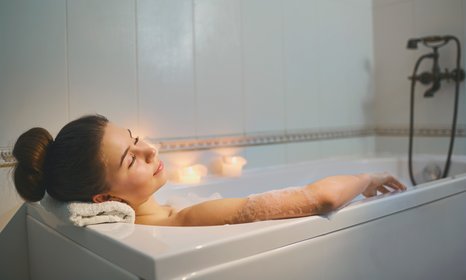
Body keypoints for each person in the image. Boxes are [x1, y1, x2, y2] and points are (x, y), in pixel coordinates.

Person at [12, 115, 407, 226]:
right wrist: (367, 178)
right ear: (103, 200)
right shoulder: (184, 219)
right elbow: (321, 198)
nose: (150, 149)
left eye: (134, 139)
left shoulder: (163, 212)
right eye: (131, 158)